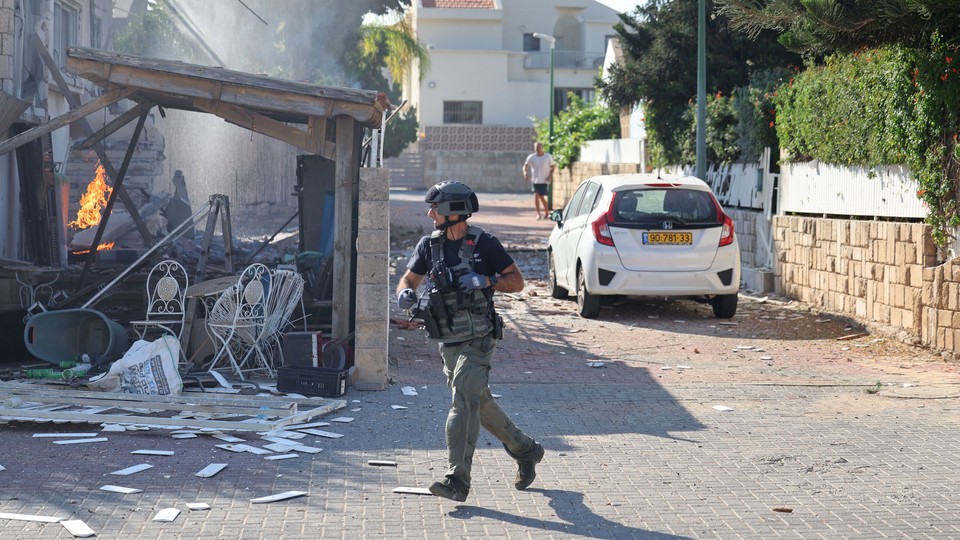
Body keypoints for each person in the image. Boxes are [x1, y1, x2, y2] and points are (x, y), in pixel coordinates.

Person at [396, 180, 545, 502]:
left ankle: (457, 480)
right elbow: (409, 278)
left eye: (435, 207)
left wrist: (487, 279)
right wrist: (404, 293)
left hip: (479, 338)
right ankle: (526, 449)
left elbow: (517, 281)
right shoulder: (429, 245)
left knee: (462, 401)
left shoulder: (485, 244)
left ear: (452, 210)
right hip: (447, 340)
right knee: (479, 404)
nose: (429, 212)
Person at [522, 141, 555, 220]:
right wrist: (525, 173)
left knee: (541, 197)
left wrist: (550, 175)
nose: (537, 148)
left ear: (542, 147)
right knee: (536, 195)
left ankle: (547, 213)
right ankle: (538, 214)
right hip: (535, 180)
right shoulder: (531, 157)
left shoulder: (547, 157)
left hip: (544, 180)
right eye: (536, 147)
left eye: (539, 147)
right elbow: (525, 166)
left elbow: (553, 167)